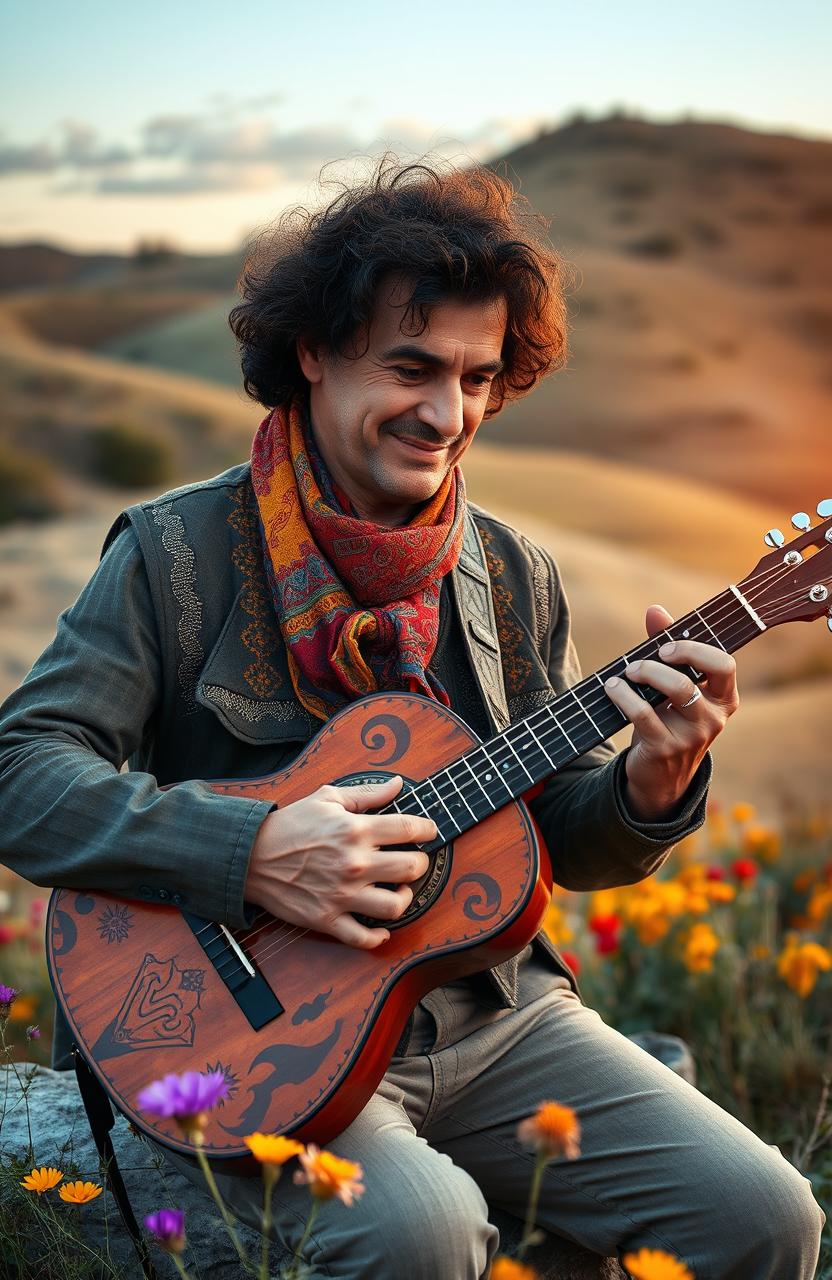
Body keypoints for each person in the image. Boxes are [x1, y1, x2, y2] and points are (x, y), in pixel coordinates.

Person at [0, 158, 823, 1279]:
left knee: (767, 1212)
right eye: (413, 366)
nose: (449, 413)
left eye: (480, 376)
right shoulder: (174, 556)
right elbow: (22, 770)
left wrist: (652, 783)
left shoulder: (510, 575)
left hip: (495, 1018)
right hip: (262, 1038)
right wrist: (253, 851)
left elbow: (563, 836)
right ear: (313, 350)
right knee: (420, 1232)